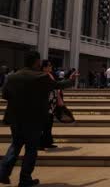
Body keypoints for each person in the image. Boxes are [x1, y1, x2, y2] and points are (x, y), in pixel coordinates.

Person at [0, 51, 76, 187]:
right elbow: (59, 85)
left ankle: (3, 172)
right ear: (36, 62)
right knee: (31, 149)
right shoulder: (41, 76)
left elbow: (5, 95)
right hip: (33, 118)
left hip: (16, 117)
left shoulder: (12, 77)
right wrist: (71, 80)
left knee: (15, 145)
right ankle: (25, 179)